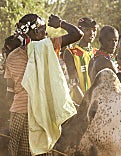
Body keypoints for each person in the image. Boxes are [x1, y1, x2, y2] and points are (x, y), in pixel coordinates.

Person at [4, 13, 82, 156]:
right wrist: (60, 23)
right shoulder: (47, 47)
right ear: (34, 31)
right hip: (39, 114)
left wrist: (7, 118)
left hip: (17, 114)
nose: (45, 32)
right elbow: (77, 34)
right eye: (43, 29)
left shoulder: (11, 57)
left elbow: (10, 92)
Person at [63, 17, 98, 104]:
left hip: (96, 101)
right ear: (79, 30)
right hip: (78, 102)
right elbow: (73, 83)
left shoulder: (97, 53)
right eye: (87, 30)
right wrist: (84, 105)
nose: (92, 33)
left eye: (94, 30)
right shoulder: (71, 52)